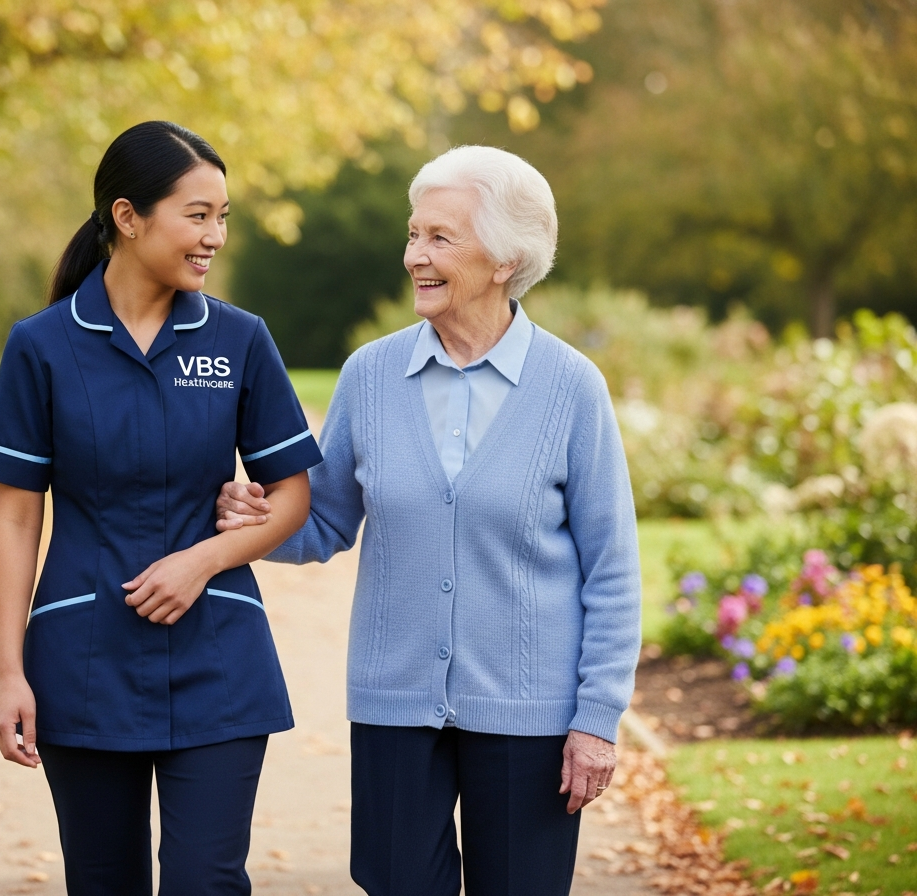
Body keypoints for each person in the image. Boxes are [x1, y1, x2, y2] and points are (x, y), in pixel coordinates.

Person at [216, 145, 641, 896]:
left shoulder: (572, 388)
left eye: (440, 238)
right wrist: (251, 520)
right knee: (395, 880)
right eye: (414, 236)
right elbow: (323, 524)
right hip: (396, 700)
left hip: (528, 710)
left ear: (507, 259)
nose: (415, 255)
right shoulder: (371, 376)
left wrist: (597, 718)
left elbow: (612, 569)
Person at [0, 120, 323, 896]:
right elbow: (16, 516)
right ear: (128, 218)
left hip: (220, 659)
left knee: (207, 881)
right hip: (81, 658)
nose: (215, 236)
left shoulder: (239, 340)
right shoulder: (42, 347)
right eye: (197, 215)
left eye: (222, 216)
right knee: (103, 883)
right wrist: (8, 673)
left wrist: (205, 559)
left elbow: (293, 494)